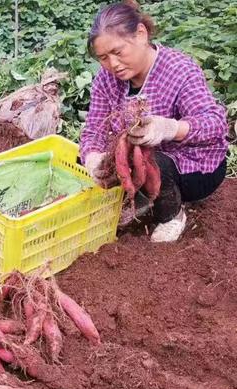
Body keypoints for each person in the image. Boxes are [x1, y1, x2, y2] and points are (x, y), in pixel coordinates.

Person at [79, 0, 228, 242]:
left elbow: (215, 123)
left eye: (118, 52)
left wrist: (170, 127)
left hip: (196, 167)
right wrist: (92, 157)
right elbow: (93, 130)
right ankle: (137, 198)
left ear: (140, 34)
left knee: (152, 159)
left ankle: (171, 215)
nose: (112, 64)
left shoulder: (179, 69)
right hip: (138, 164)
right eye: (103, 57)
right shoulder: (106, 80)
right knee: (90, 157)